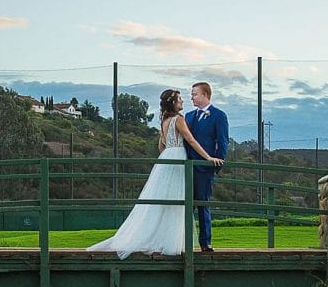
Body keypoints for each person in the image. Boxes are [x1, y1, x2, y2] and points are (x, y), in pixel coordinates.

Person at [87, 89, 223, 259]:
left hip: (166, 157)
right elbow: (191, 140)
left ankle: (155, 237)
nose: (182, 102)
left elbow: (161, 146)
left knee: (162, 199)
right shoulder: (178, 119)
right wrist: (208, 157)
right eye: (180, 99)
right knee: (175, 199)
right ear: (173, 103)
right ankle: (169, 242)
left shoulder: (164, 120)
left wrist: (170, 151)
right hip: (178, 158)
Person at [184, 82, 230, 252]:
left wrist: (216, 163)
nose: (192, 97)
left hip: (205, 168)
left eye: (194, 94)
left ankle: (206, 242)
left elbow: (223, 141)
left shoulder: (219, 115)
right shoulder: (188, 116)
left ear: (205, 95)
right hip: (186, 166)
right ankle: (183, 240)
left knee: (203, 203)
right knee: (184, 204)